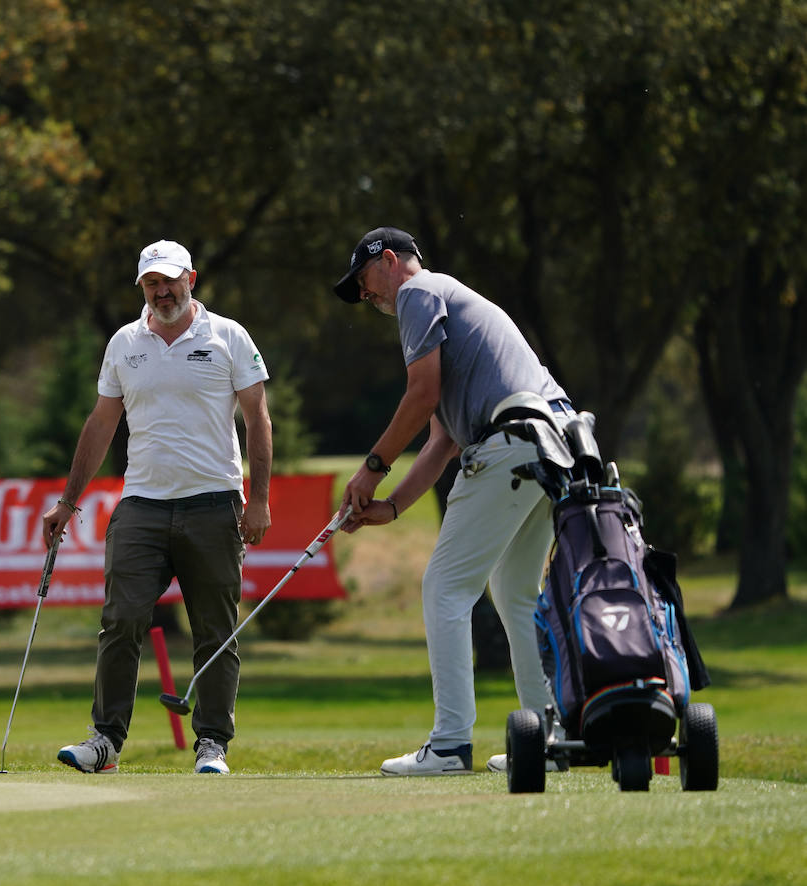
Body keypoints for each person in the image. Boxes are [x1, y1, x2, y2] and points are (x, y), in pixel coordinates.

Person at [332, 226, 575, 776]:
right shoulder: (449, 301)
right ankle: (548, 738)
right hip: (551, 445)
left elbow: (421, 396)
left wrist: (372, 468)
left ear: (390, 260)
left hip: (511, 441)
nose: (367, 298)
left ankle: (448, 745)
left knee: (445, 587)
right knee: (514, 589)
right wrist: (391, 507)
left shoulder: (419, 293)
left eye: (365, 283)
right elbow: (442, 439)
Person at [42, 239, 272, 776]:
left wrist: (257, 498)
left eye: (170, 280)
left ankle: (212, 744)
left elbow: (257, 418)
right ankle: (105, 743)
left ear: (191, 277)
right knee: (120, 621)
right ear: (141, 285)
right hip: (141, 504)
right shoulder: (125, 342)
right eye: (151, 282)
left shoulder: (228, 337)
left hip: (214, 502)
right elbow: (101, 423)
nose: (161, 291)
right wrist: (68, 500)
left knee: (215, 631)